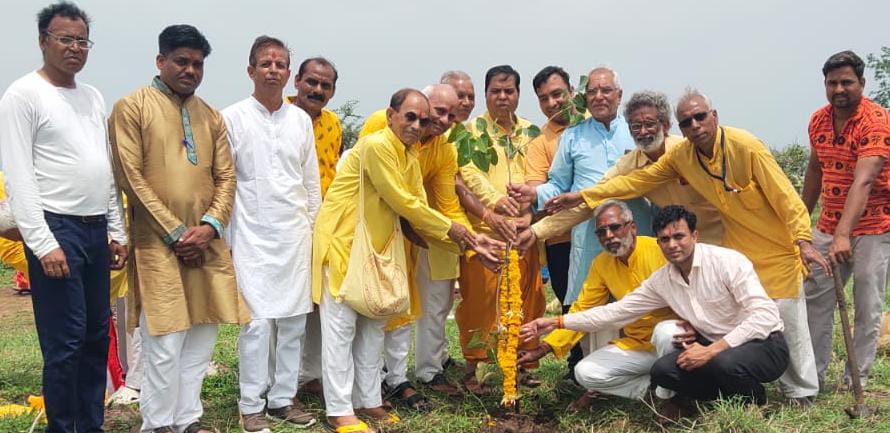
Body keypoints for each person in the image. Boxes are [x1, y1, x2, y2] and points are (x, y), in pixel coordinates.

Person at [532, 88, 828, 405]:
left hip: (769, 245)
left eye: (700, 117)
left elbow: (785, 195)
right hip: (720, 250)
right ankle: (717, 384)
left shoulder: (744, 145)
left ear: (710, 118)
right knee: (723, 319)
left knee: (784, 316)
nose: (695, 125)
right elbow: (627, 184)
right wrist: (579, 198)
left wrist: (803, 239)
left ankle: (802, 391)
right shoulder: (678, 158)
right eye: (688, 121)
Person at [312, 88, 483, 433]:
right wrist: (459, 233)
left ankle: (369, 399)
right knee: (341, 331)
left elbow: (421, 212)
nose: (417, 125)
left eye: (422, 120)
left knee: (373, 325)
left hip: (378, 251)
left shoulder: (409, 155)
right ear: (391, 116)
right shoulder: (377, 145)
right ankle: (340, 410)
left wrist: (472, 246)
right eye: (410, 117)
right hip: (345, 245)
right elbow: (404, 202)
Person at [109, 24, 250, 433]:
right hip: (157, 246)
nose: (190, 70)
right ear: (161, 61)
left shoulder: (211, 116)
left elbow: (227, 178)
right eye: (182, 61)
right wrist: (176, 233)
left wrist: (208, 227)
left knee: (201, 338)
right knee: (165, 343)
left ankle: (187, 419)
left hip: (206, 244)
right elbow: (130, 177)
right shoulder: (131, 107)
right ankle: (157, 424)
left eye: (198, 64)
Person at [521, 206, 790, 421]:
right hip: (689, 345)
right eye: (665, 239)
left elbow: (765, 315)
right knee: (662, 372)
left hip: (760, 344)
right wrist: (555, 322)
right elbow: (615, 312)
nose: (672, 245)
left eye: (679, 237)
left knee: (710, 356)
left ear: (695, 236)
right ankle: (678, 396)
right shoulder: (662, 279)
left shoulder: (727, 262)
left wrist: (711, 350)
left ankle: (754, 402)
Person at [0, 3, 128, 432]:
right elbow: (19, 179)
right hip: (57, 229)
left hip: (95, 230)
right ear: (43, 42)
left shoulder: (92, 97)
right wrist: (43, 242)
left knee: (95, 336)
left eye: (81, 40)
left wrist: (116, 229)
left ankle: (90, 425)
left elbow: (104, 168)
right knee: (66, 342)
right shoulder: (23, 95)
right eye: (64, 39)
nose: (74, 48)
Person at [358, 83, 496, 405]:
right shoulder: (383, 125)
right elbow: (399, 196)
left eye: (450, 114)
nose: (444, 120)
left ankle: (394, 378)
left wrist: (473, 242)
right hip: (368, 230)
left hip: (411, 234)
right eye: (439, 111)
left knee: (402, 305)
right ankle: (368, 381)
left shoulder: (444, 150)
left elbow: (447, 205)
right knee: (369, 307)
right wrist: (462, 234)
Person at [508, 67, 654, 329]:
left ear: (619, 95)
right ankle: (584, 366)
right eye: (593, 91)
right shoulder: (573, 137)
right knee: (589, 310)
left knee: (643, 302)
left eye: (606, 90)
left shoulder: (637, 131)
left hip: (639, 231)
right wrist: (535, 193)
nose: (599, 96)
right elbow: (558, 186)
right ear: (585, 97)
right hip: (590, 235)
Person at [223, 36, 319, 431]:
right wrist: (227, 240)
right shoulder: (232, 117)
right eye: (266, 63)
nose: (273, 70)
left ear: (289, 74)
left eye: (280, 64)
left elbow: (310, 183)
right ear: (251, 70)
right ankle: (251, 404)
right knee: (257, 324)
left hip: (295, 234)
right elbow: (225, 181)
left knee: (294, 321)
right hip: (250, 235)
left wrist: (313, 231)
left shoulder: (299, 120)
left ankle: (283, 398)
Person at [517, 200, 676, 408]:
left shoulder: (659, 251)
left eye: (615, 227)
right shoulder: (601, 264)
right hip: (639, 345)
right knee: (585, 373)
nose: (609, 236)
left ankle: (674, 397)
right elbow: (583, 308)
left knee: (668, 332)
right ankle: (650, 391)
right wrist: (545, 347)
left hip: (673, 343)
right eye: (601, 232)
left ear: (632, 227)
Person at [523, 90, 724, 248]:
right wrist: (536, 232)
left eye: (649, 124)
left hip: (725, 240)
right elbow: (589, 202)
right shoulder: (628, 165)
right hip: (680, 248)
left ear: (665, 125)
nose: (643, 132)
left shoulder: (687, 150)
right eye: (636, 126)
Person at [801, 50, 890, 389]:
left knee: (868, 303)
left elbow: (864, 180)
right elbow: (814, 169)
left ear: (862, 84)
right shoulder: (818, 120)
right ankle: (813, 377)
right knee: (815, 297)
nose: (839, 89)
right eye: (832, 82)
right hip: (828, 224)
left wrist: (843, 235)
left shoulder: (877, 121)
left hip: (875, 226)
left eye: (847, 82)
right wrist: (800, 222)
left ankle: (857, 379)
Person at [456, 65, 546, 393]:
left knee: (529, 298)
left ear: (519, 94)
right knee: (480, 301)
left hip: (524, 232)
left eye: (509, 91)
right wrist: (494, 203)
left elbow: (540, 177)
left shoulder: (532, 133)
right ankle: (474, 367)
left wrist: (529, 218)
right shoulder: (471, 132)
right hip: (487, 233)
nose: (503, 97)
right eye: (496, 91)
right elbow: (466, 173)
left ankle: (522, 365)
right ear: (486, 94)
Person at [286, 56, 342, 398]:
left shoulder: (334, 123)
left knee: (318, 303)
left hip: (326, 226)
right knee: (286, 305)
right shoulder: (283, 117)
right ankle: (278, 379)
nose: (317, 90)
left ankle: (309, 376)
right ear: (297, 81)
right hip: (288, 225)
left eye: (325, 85)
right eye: (312, 82)